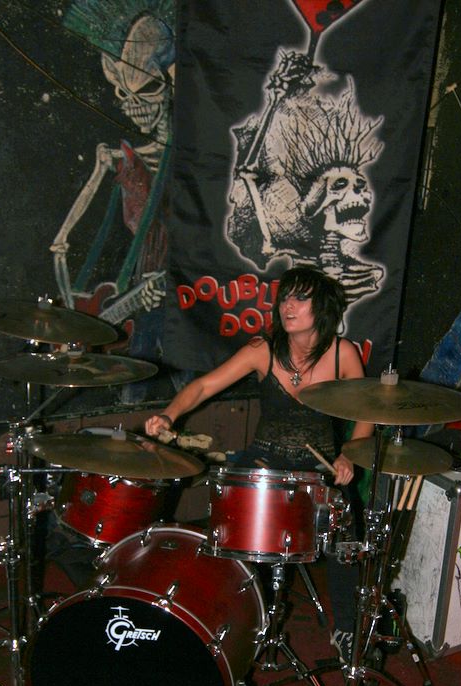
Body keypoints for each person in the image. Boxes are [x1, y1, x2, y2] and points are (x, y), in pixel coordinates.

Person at [145, 266, 373, 659]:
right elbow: (203, 386)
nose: (288, 306)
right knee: (232, 530)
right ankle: (223, 620)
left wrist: (349, 454)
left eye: (300, 298)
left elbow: (367, 410)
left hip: (319, 467)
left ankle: (346, 630)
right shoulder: (262, 349)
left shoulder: (343, 353)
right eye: (285, 298)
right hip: (265, 458)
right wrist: (169, 415)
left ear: (322, 308)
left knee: (345, 537)